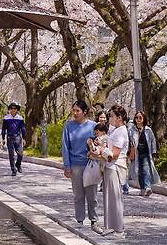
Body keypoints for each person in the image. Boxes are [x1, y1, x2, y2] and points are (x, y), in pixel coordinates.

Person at [62, 98, 98, 228]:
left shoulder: (93, 126)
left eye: (78, 111)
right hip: (75, 164)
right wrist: (67, 166)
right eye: (74, 110)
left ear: (84, 112)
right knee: (78, 195)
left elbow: (99, 144)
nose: (75, 113)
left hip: (90, 164)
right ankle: (79, 220)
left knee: (92, 194)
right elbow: (65, 147)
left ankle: (94, 220)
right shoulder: (69, 126)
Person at [95, 104, 129, 235]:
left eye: (112, 116)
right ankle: (110, 226)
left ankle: (118, 228)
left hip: (115, 166)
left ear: (119, 117)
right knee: (109, 198)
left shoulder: (121, 131)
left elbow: (114, 154)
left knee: (115, 198)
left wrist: (103, 150)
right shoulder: (115, 130)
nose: (110, 118)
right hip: (110, 166)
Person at [128, 110, 160, 197]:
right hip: (136, 154)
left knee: (146, 170)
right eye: (136, 117)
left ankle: (147, 187)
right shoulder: (131, 130)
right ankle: (142, 188)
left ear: (143, 119)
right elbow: (129, 143)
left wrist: (154, 153)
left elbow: (153, 142)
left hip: (146, 153)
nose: (138, 119)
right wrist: (128, 153)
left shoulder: (148, 130)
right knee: (139, 172)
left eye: (140, 117)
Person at [1, 102, 26, 176]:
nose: (13, 110)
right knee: (11, 155)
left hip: (18, 137)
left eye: (14, 108)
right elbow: (3, 129)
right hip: (9, 137)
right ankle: (13, 170)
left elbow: (23, 129)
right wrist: (3, 138)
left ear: (17, 109)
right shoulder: (6, 118)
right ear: (9, 109)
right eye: (11, 108)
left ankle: (18, 164)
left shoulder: (20, 118)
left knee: (20, 154)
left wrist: (24, 138)